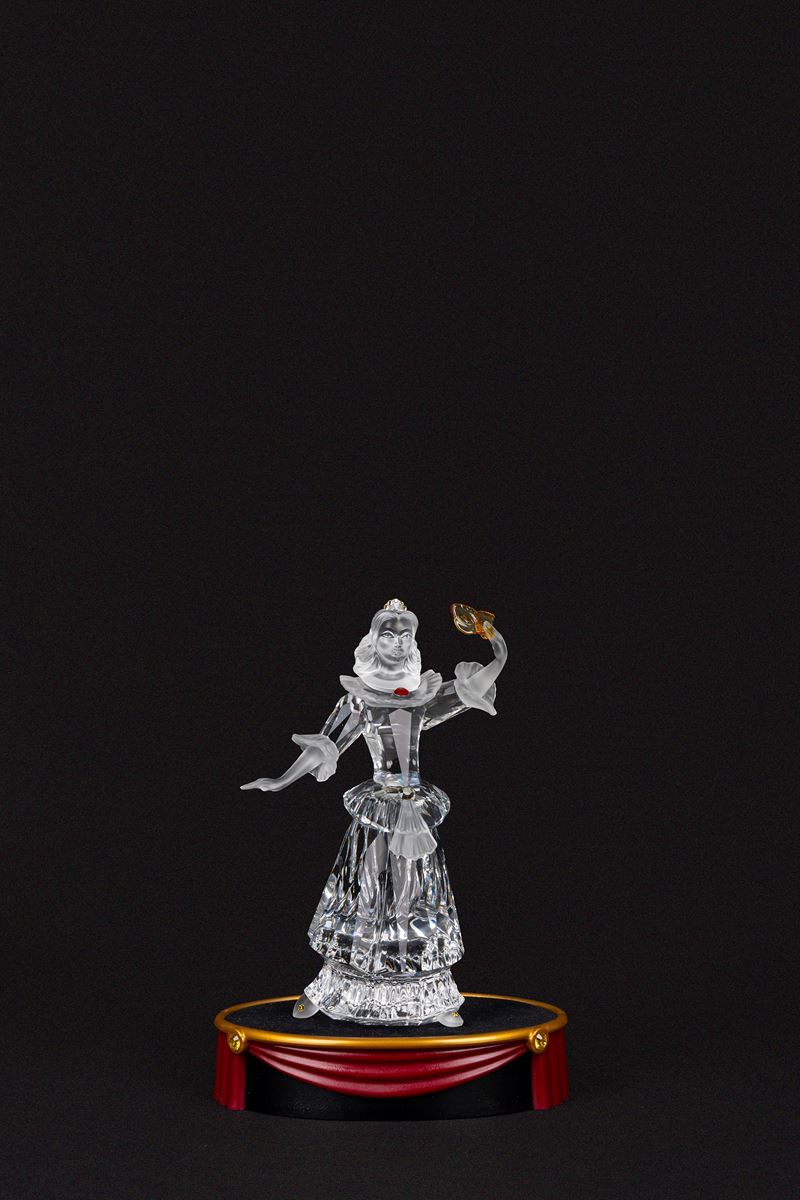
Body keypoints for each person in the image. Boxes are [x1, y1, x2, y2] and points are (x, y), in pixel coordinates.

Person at [241, 598, 507, 1027]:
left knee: (414, 895)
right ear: (373, 641)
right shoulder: (360, 700)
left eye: (406, 636)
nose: (398, 643)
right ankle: (334, 984)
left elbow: (466, 690)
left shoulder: (421, 695)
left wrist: (499, 652)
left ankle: (428, 991)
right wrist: (281, 779)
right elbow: (326, 746)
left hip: (415, 805)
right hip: (380, 806)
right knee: (365, 891)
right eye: (389, 635)